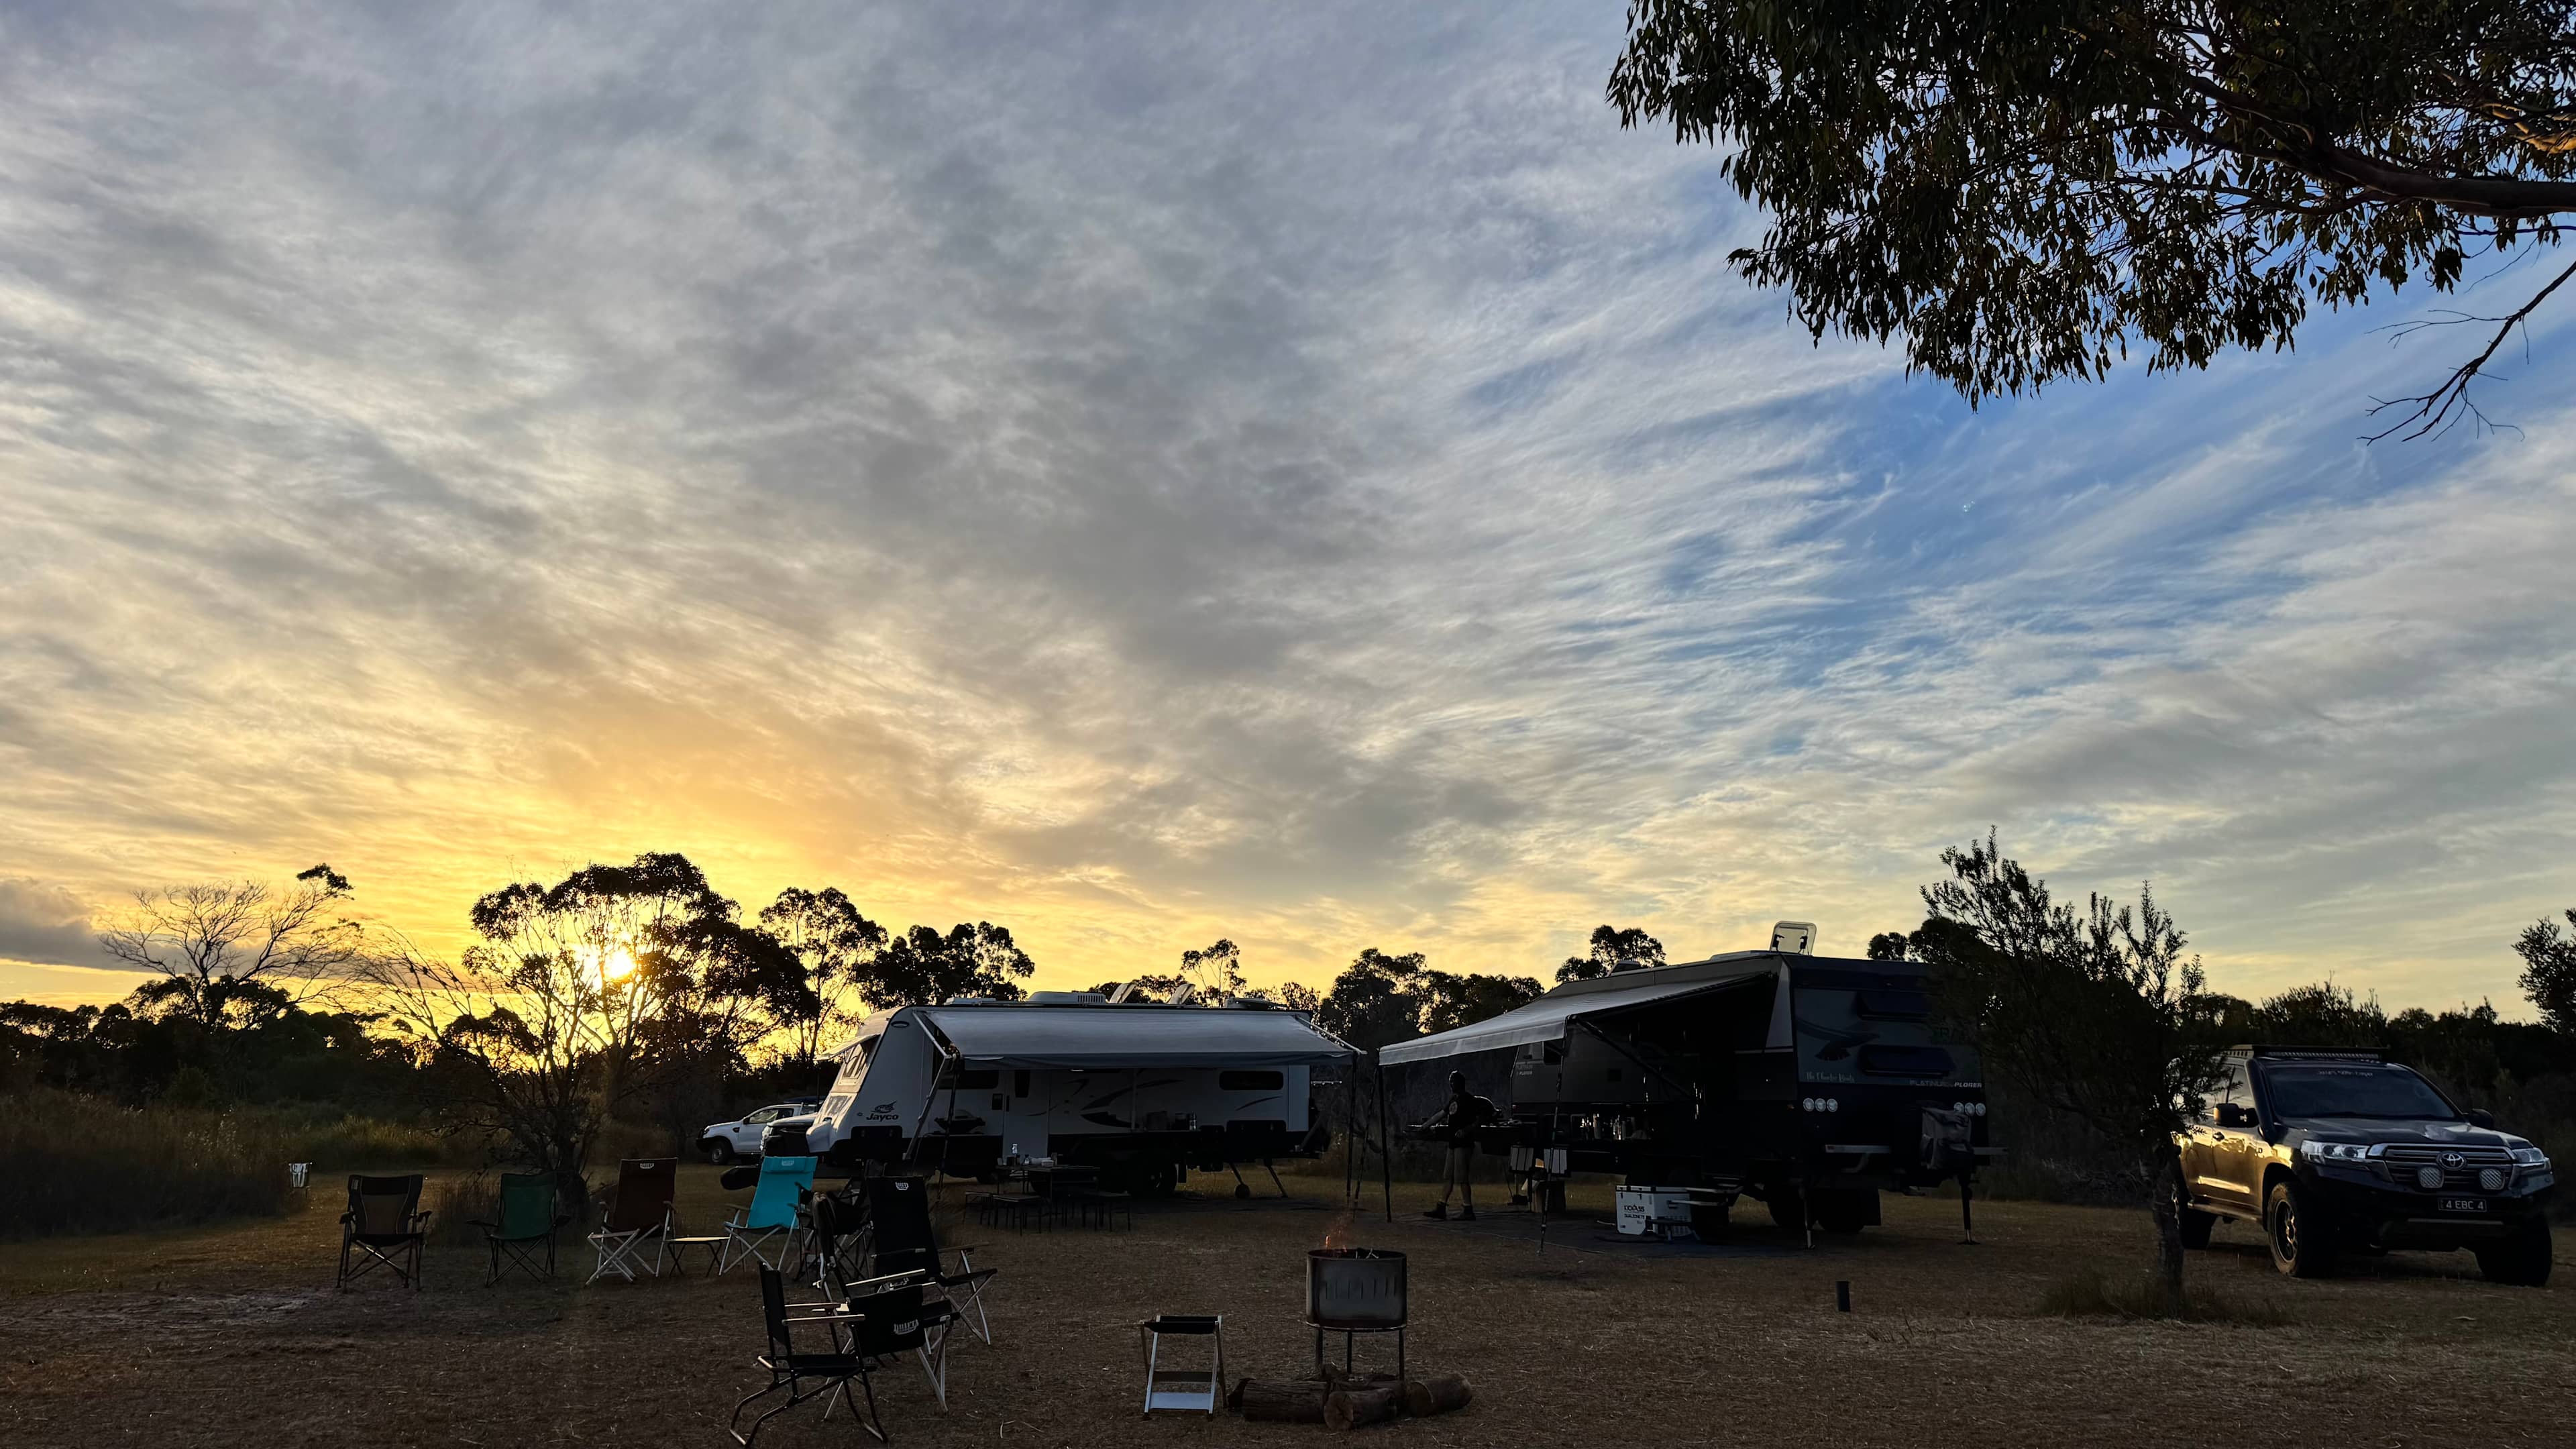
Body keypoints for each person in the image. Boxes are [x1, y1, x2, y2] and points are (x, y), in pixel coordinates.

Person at [1423, 1071, 1493, 1221]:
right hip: (1453, 1143)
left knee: (1462, 1178)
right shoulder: (1453, 1099)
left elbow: (1480, 1119)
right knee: (1448, 1176)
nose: (1452, 1085)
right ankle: (1441, 1207)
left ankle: (1468, 1209)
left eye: (1453, 1082)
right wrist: (1425, 1126)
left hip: (1464, 1144)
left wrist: (1466, 1130)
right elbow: (1441, 1114)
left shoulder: (1469, 1100)